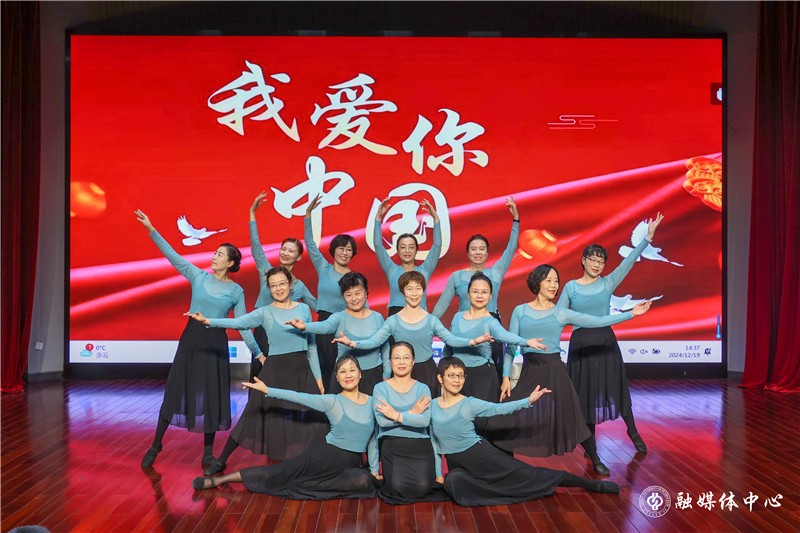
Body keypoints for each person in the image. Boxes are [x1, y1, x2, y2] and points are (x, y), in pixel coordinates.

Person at [489, 265, 651, 474]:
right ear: (537, 282)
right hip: (530, 371)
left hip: (556, 371)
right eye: (548, 280)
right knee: (504, 415)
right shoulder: (521, 311)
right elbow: (511, 346)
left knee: (574, 417)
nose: (554, 285)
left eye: (556, 281)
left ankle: (595, 458)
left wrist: (631, 314)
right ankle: (503, 464)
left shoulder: (561, 313)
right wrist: (505, 377)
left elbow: (597, 321)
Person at [135, 209, 260, 469]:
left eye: (220, 254)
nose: (214, 257)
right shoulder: (199, 276)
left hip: (215, 345)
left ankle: (207, 454)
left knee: (212, 396)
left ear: (230, 263)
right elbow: (172, 255)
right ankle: (156, 444)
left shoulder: (236, 290)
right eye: (215, 253)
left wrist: (258, 352)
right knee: (175, 390)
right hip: (191, 339)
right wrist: (151, 229)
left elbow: (242, 324)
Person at [186, 266, 327, 476]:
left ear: (290, 284)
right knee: (252, 413)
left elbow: (312, 345)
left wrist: (318, 378)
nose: (278, 288)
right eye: (273, 285)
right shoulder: (265, 312)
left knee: (315, 418)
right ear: (269, 289)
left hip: (301, 371)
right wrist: (209, 321)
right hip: (274, 371)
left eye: (282, 283)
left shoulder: (304, 309)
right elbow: (238, 322)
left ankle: (323, 463)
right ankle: (222, 460)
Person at [431, 357, 619, 507]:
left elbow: (499, 409)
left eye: (461, 376)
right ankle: (501, 491)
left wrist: (528, 401)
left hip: (482, 457)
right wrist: (438, 474)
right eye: (451, 375)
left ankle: (590, 484)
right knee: (453, 482)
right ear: (440, 378)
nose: (457, 380)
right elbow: (435, 444)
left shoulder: (469, 403)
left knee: (532, 474)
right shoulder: (431, 407)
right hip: (458, 464)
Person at [192, 356, 380, 501]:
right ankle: (219, 480)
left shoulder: (372, 402)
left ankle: (312, 484)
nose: (348, 375)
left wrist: (373, 470)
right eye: (343, 372)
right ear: (337, 378)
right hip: (322, 458)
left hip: (348, 464)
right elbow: (299, 397)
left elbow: (372, 439)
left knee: (365, 481)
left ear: (360, 374)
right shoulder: (332, 401)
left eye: (352, 370)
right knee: (278, 473)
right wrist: (268, 390)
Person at [558, 213, 664, 457]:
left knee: (617, 386)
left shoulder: (608, 282)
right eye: (593, 260)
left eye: (601, 261)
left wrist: (647, 239)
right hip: (581, 345)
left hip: (605, 341)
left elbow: (629, 261)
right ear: (583, 261)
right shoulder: (571, 287)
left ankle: (633, 432)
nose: (597, 264)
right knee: (585, 393)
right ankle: (591, 445)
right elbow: (560, 315)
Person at [332, 271, 491, 394]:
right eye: (409, 289)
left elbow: (450, 339)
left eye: (418, 289)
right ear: (403, 292)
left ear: (423, 291)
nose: (414, 293)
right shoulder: (393, 321)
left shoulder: (431, 320)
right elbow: (375, 341)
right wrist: (353, 343)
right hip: (401, 371)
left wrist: (472, 342)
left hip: (427, 372)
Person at [432, 197, 520, 379]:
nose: (478, 252)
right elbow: (442, 305)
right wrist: (429, 324)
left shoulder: (495, 272)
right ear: (468, 253)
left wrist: (516, 220)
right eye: (474, 249)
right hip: (463, 326)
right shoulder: (457, 276)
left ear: (487, 253)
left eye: (482, 249)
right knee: (456, 371)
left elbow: (511, 248)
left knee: (493, 371)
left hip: (489, 325)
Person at [446, 272, 546, 405]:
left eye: (484, 292)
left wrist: (525, 342)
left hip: (482, 377)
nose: (479, 296)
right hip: (456, 376)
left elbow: (505, 335)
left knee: (483, 416)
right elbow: (449, 346)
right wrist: (443, 369)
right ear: (468, 294)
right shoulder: (457, 317)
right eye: (475, 291)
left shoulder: (491, 322)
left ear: (490, 296)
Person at [248, 191, 317, 377]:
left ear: (299, 257)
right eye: (283, 249)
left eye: (291, 251)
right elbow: (256, 246)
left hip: (287, 333)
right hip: (263, 330)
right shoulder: (266, 271)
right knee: (261, 375)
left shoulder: (299, 285)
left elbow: (317, 306)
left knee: (284, 378)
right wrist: (252, 214)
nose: (286, 253)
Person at [372, 342, 448, 504]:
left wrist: (395, 415)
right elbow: (382, 421)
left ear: (413, 361)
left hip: (420, 443)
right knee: (397, 488)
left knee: (423, 487)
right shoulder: (380, 388)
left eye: (406, 358)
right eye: (396, 358)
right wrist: (412, 413)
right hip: (392, 442)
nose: (401, 362)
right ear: (390, 361)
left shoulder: (423, 388)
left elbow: (424, 421)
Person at [287, 272, 388, 395]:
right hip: (345, 376)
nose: (354, 298)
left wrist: (387, 374)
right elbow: (325, 326)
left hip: (373, 375)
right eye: (348, 295)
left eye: (357, 293)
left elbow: (385, 348)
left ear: (366, 293)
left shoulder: (377, 317)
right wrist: (305, 326)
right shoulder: (339, 317)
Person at [304, 193, 357, 386]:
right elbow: (310, 243)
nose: (344, 252)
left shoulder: (354, 277)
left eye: (349, 249)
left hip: (344, 324)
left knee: (343, 366)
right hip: (324, 322)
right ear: (333, 250)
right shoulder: (323, 267)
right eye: (341, 248)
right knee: (324, 365)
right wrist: (308, 215)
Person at [372, 197, 442, 315]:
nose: (407, 250)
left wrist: (436, 220)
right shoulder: (391, 270)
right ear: (397, 250)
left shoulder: (425, 270)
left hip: (420, 317)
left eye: (411, 247)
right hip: (396, 317)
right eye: (403, 247)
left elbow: (437, 246)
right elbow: (378, 245)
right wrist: (378, 219)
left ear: (416, 250)